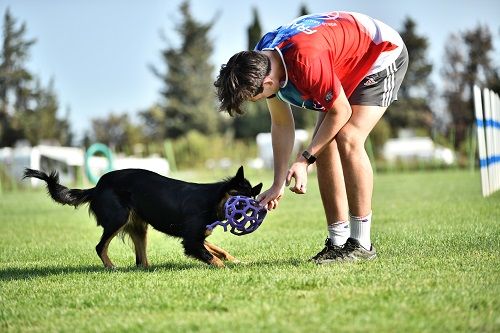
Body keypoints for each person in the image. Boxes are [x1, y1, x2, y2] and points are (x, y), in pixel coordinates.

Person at [214, 11, 408, 263]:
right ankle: (338, 243)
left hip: (379, 53)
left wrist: (304, 160)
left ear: (268, 82)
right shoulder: (262, 56)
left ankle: (361, 244)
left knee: (348, 138)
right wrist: (277, 185)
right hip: (338, 56)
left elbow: (342, 112)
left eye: (255, 97)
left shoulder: (305, 62)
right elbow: (282, 124)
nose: (256, 101)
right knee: (324, 145)